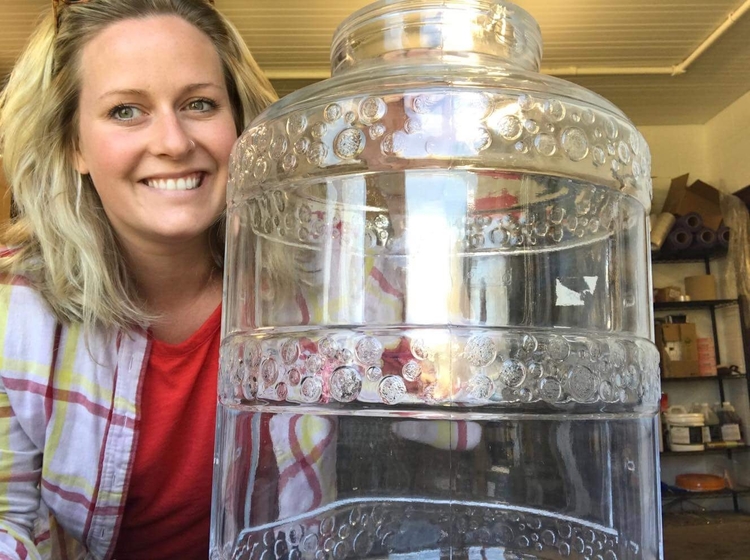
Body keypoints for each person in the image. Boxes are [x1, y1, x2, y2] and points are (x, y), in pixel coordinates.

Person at [0, 0, 276, 558]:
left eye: (200, 103)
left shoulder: (325, 276)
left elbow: (448, 432)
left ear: (239, 128)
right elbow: (9, 519)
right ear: (74, 144)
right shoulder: (10, 309)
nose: (174, 143)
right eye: (127, 111)